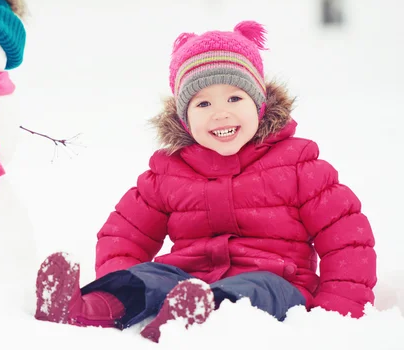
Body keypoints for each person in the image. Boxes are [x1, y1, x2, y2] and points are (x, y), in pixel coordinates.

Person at [33, 21, 377, 343]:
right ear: (185, 118)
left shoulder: (299, 164)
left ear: (259, 105)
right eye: (203, 103)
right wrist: (126, 280)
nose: (220, 113)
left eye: (234, 98)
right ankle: (87, 309)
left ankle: (195, 318)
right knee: (152, 278)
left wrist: (338, 308)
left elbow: (346, 237)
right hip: (186, 280)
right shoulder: (169, 171)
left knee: (256, 288)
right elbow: (124, 234)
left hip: (278, 282)